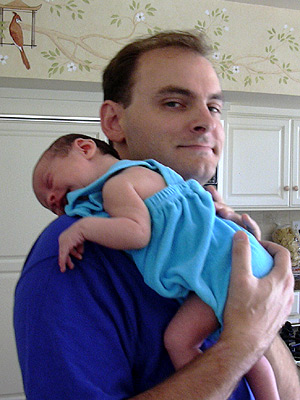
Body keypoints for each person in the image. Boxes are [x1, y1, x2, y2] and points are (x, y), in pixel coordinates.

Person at [14, 30, 298, 400]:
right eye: (174, 103)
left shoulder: (212, 225)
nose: (205, 122)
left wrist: (259, 321)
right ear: (114, 122)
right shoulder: (73, 257)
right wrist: (239, 345)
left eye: (214, 107)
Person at [33, 133, 279, 400]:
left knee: (180, 341)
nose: (54, 198)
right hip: (241, 255)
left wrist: (83, 228)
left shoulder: (115, 187)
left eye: (49, 182)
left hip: (226, 269)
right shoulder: (152, 170)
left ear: (84, 148)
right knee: (251, 349)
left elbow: (138, 233)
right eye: (49, 203)